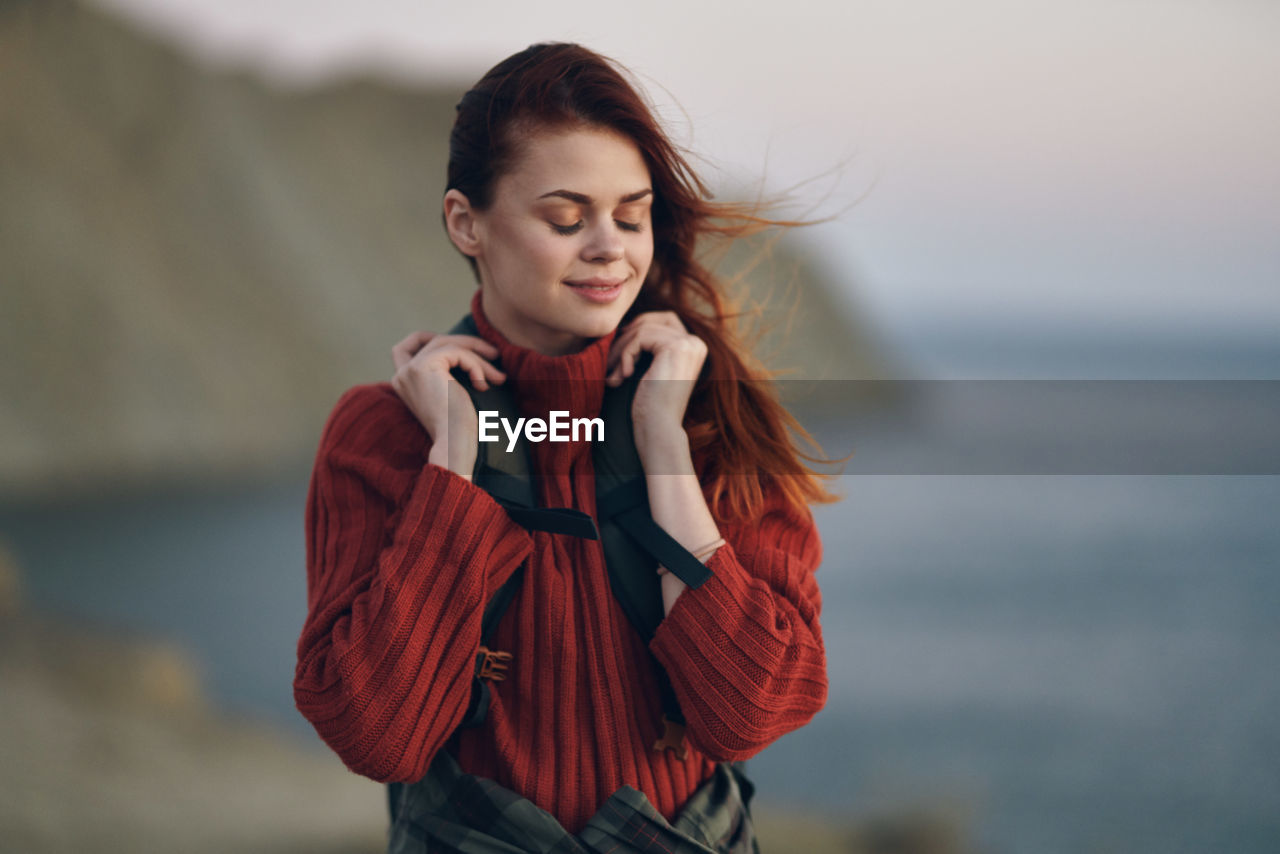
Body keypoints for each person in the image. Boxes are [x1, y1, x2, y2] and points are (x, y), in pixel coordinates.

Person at [294, 42, 839, 853]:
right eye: (564, 218)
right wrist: (455, 457)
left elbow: (749, 713)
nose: (609, 249)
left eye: (632, 214)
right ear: (465, 222)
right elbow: (380, 735)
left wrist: (662, 445)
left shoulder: (709, 420)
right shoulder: (378, 436)